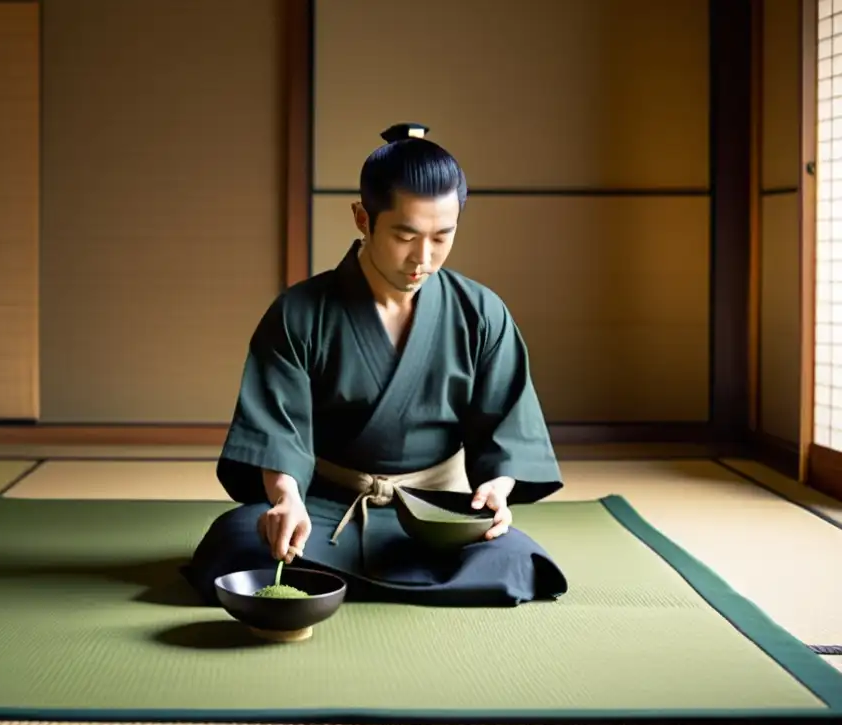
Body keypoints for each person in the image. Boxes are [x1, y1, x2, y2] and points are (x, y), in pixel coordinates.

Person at [183, 123, 568, 607]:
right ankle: (399, 581)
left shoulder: (481, 312)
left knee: (515, 560)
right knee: (236, 543)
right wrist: (286, 499)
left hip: (433, 514)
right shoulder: (301, 312)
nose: (423, 258)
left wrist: (497, 486)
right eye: (405, 235)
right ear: (363, 219)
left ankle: (338, 583)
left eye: (442, 237)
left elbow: (507, 426)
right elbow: (277, 432)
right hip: (321, 507)